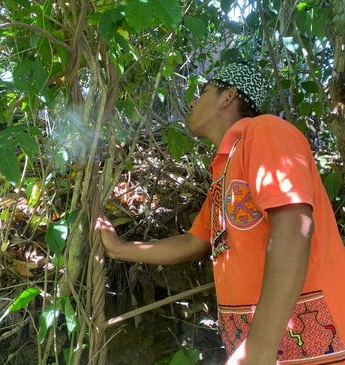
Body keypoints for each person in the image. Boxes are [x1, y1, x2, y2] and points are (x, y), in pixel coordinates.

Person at [98, 63, 345, 364]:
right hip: (260, 347)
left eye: (202, 92)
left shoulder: (265, 131)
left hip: (309, 342)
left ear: (228, 96)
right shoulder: (226, 169)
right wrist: (119, 248)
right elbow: (193, 242)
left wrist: (261, 346)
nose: (192, 102)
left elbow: (294, 225)